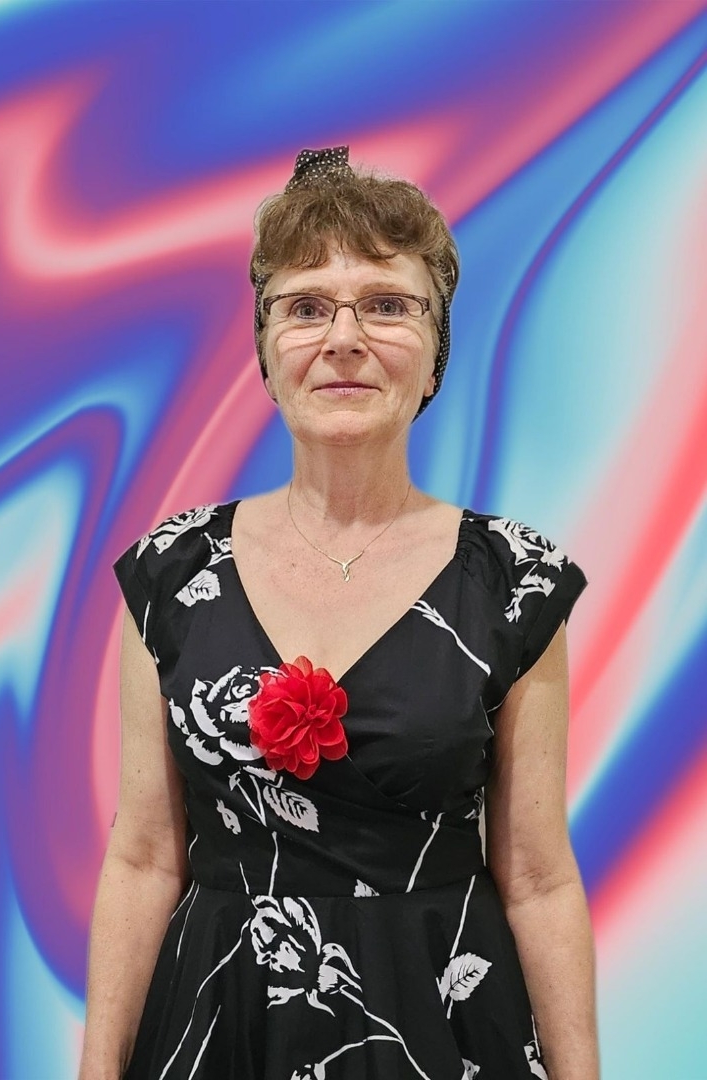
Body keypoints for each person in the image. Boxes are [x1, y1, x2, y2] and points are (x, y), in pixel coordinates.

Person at [80, 146, 599, 1080]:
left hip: (443, 1031)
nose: (345, 338)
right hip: (223, 1020)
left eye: (388, 305)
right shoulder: (171, 570)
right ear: (266, 352)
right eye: (306, 307)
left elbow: (537, 876)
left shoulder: (514, 581)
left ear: (435, 353)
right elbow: (145, 858)